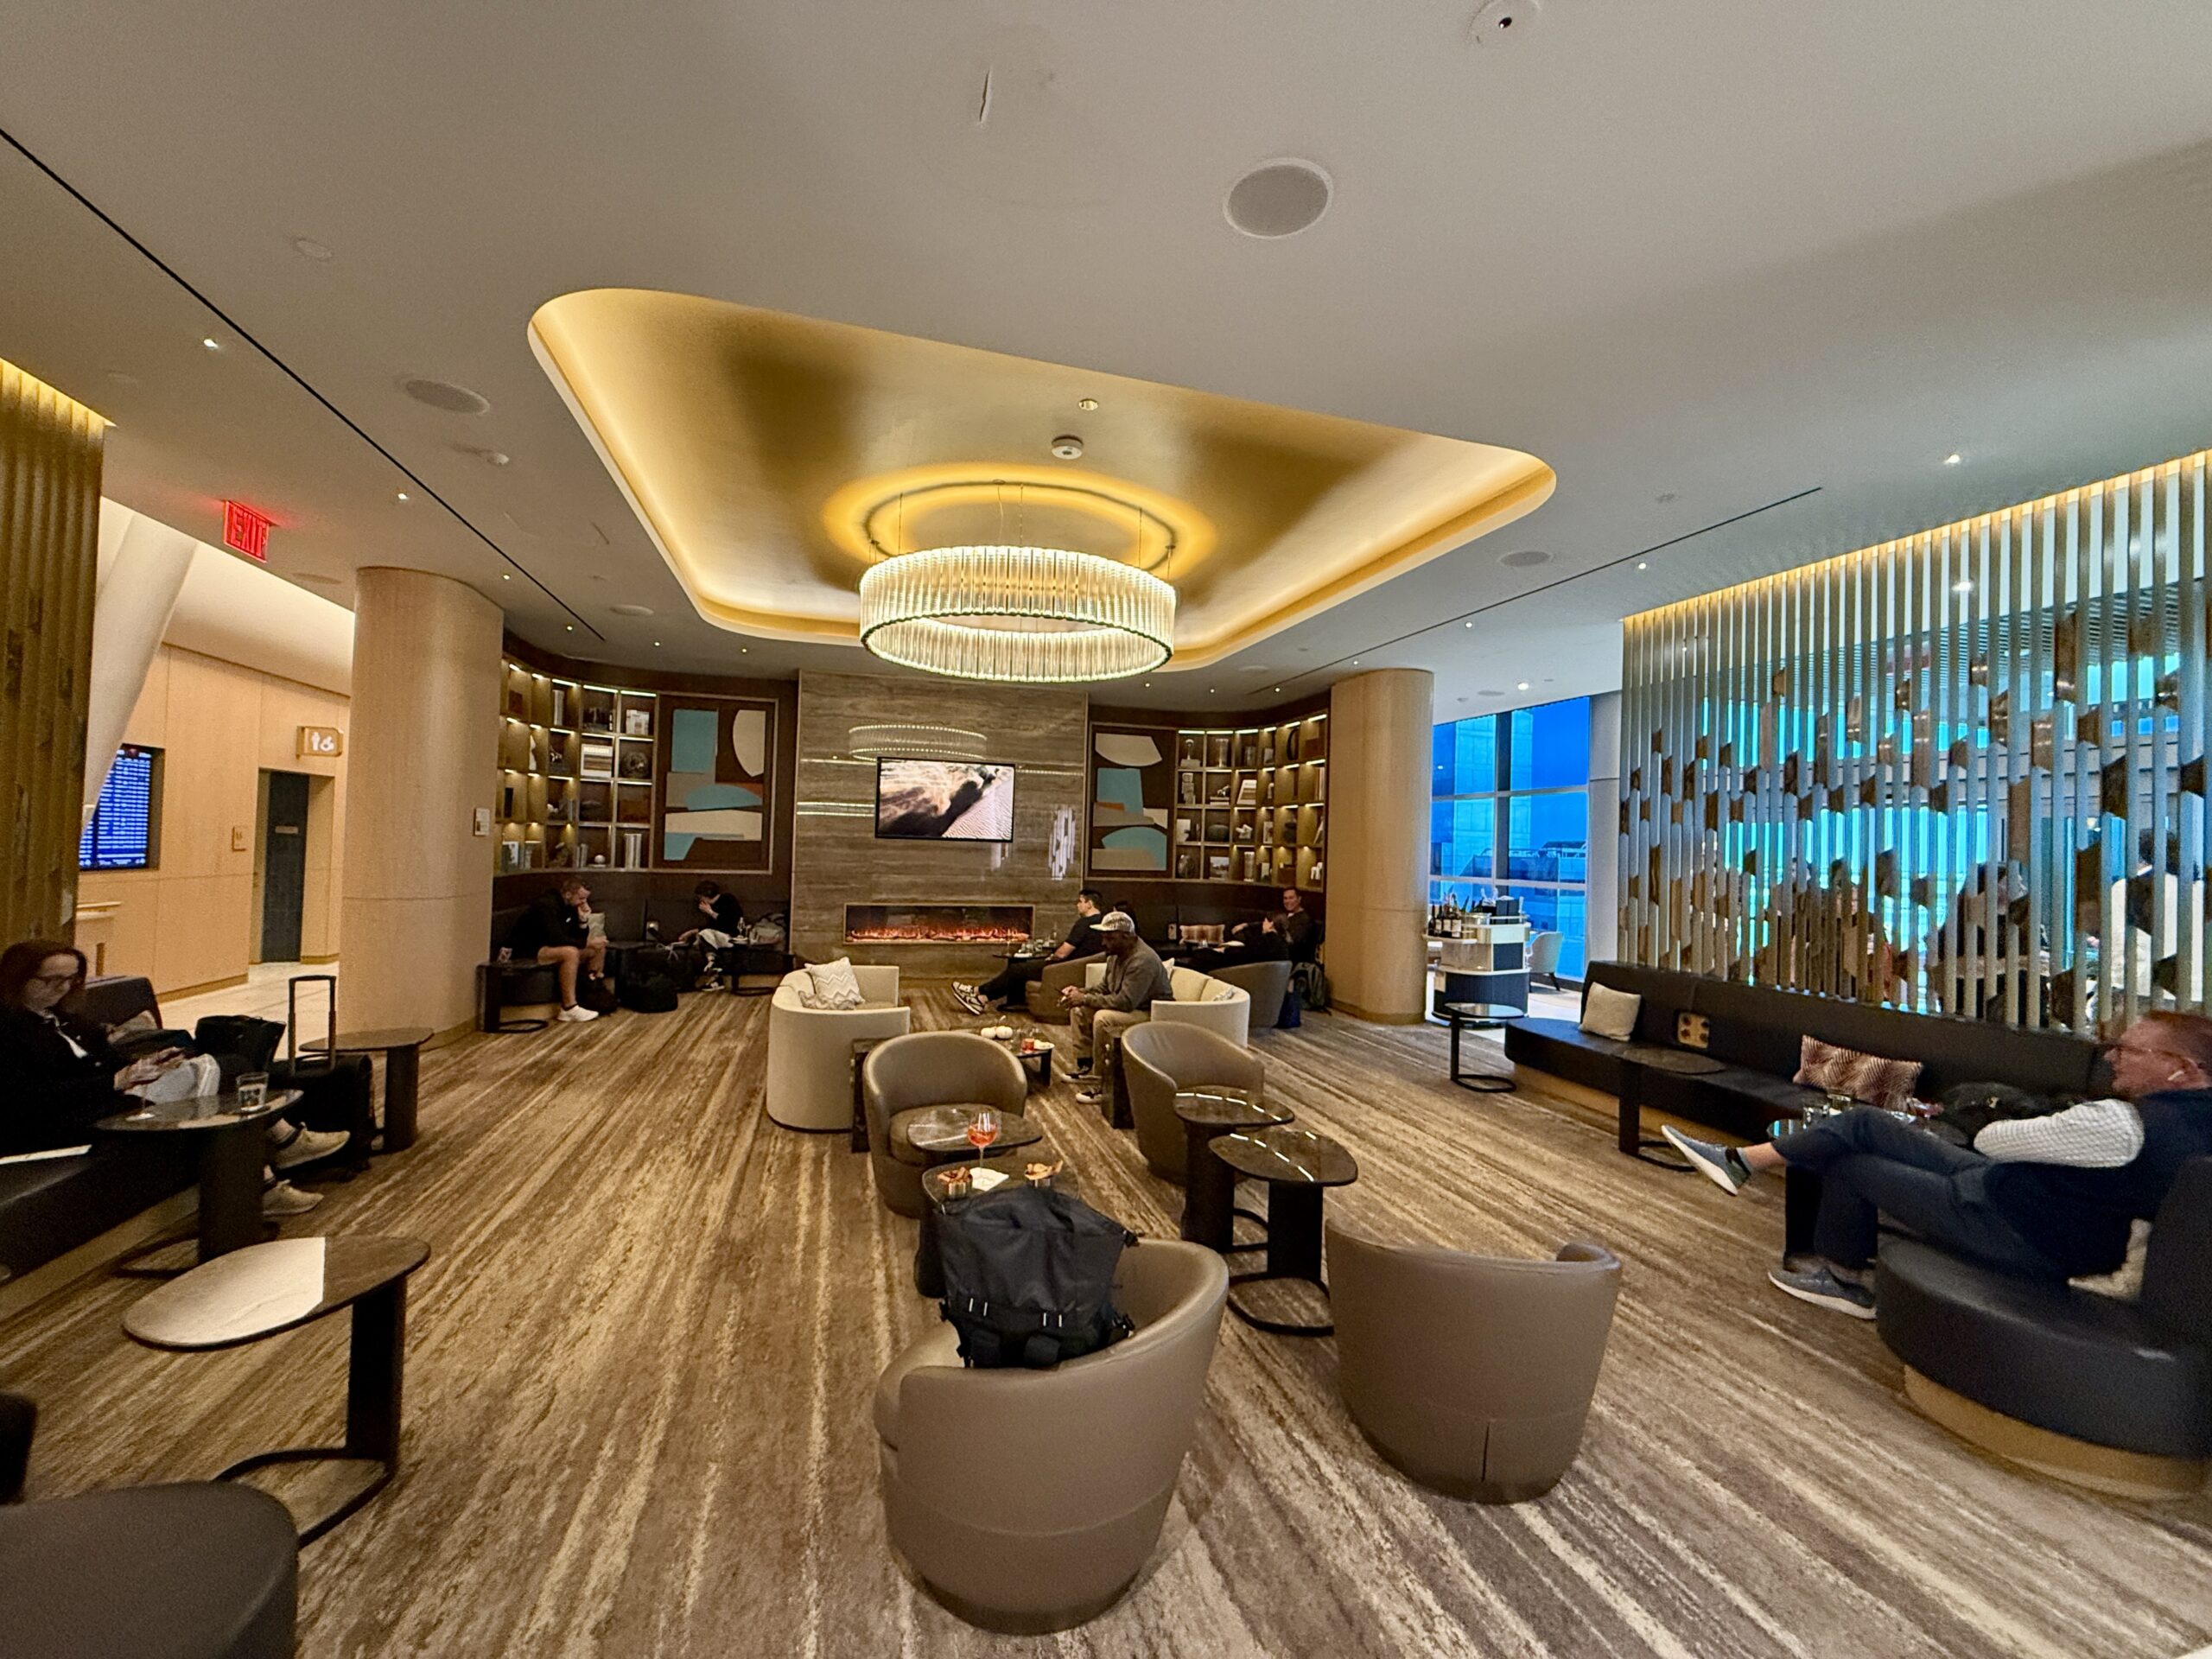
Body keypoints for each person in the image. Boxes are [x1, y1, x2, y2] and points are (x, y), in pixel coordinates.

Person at [1662, 1011, 2212, 1318]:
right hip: (2013, 1194)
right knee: (1866, 1122)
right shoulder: (2192, 1122)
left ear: (2180, 1069)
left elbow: (1996, 1139)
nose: (2113, 1056)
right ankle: (1739, 1163)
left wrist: (2043, 1128)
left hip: (2017, 1228)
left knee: (1851, 1164)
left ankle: (1845, 1281)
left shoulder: (2123, 1124)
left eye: (2129, 1050)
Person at [0, 941, 339, 1215]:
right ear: (19, 979)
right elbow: (27, 1098)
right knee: (210, 1096)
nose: (61, 988)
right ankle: (276, 1160)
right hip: (55, 1122)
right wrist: (115, 1081)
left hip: (104, 1096)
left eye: (70, 980)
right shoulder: (10, 1030)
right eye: (50, 981)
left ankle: (276, 1158)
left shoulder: (61, 1018)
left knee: (229, 1068)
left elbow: (102, 1059)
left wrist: (151, 1063)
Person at [1059, 912, 1171, 1109]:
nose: (1104, 942)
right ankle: (1086, 1065)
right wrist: (1079, 992)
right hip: (1131, 1006)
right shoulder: (1116, 954)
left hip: (1151, 1012)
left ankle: (1105, 1085)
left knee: (1104, 1019)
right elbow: (1105, 988)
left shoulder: (1142, 960)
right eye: (1104, 937)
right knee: (1079, 1009)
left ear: (1127, 937)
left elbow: (1125, 1002)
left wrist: (1084, 998)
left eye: (1109, 938)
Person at [953, 889, 1104, 1014]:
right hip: (1077, 968)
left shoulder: (1084, 923)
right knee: (1022, 969)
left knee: (1017, 969)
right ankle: (980, 997)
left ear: (1089, 904)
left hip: (1063, 968)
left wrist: (1051, 956)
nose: (1077, 905)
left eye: (1080, 902)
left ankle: (978, 993)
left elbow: (1062, 953)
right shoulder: (1103, 922)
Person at [508, 875, 607, 1021]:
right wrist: (588, 943)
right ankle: (569, 1007)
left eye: (585, 899)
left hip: (551, 947)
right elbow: (556, 939)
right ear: (568, 894)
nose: (583, 902)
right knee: (571, 953)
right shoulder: (546, 905)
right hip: (529, 949)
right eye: (581, 898)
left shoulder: (571, 907)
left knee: (597, 949)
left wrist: (583, 920)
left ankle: (591, 993)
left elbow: (576, 937)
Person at [1274, 887, 1316, 961]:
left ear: (1299, 899)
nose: (1288, 901)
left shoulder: (1305, 920)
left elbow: (1293, 943)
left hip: (1296, 961)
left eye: (1291, 898)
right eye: (1285, 898)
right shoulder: (1285, 915)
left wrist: (1275, 931)